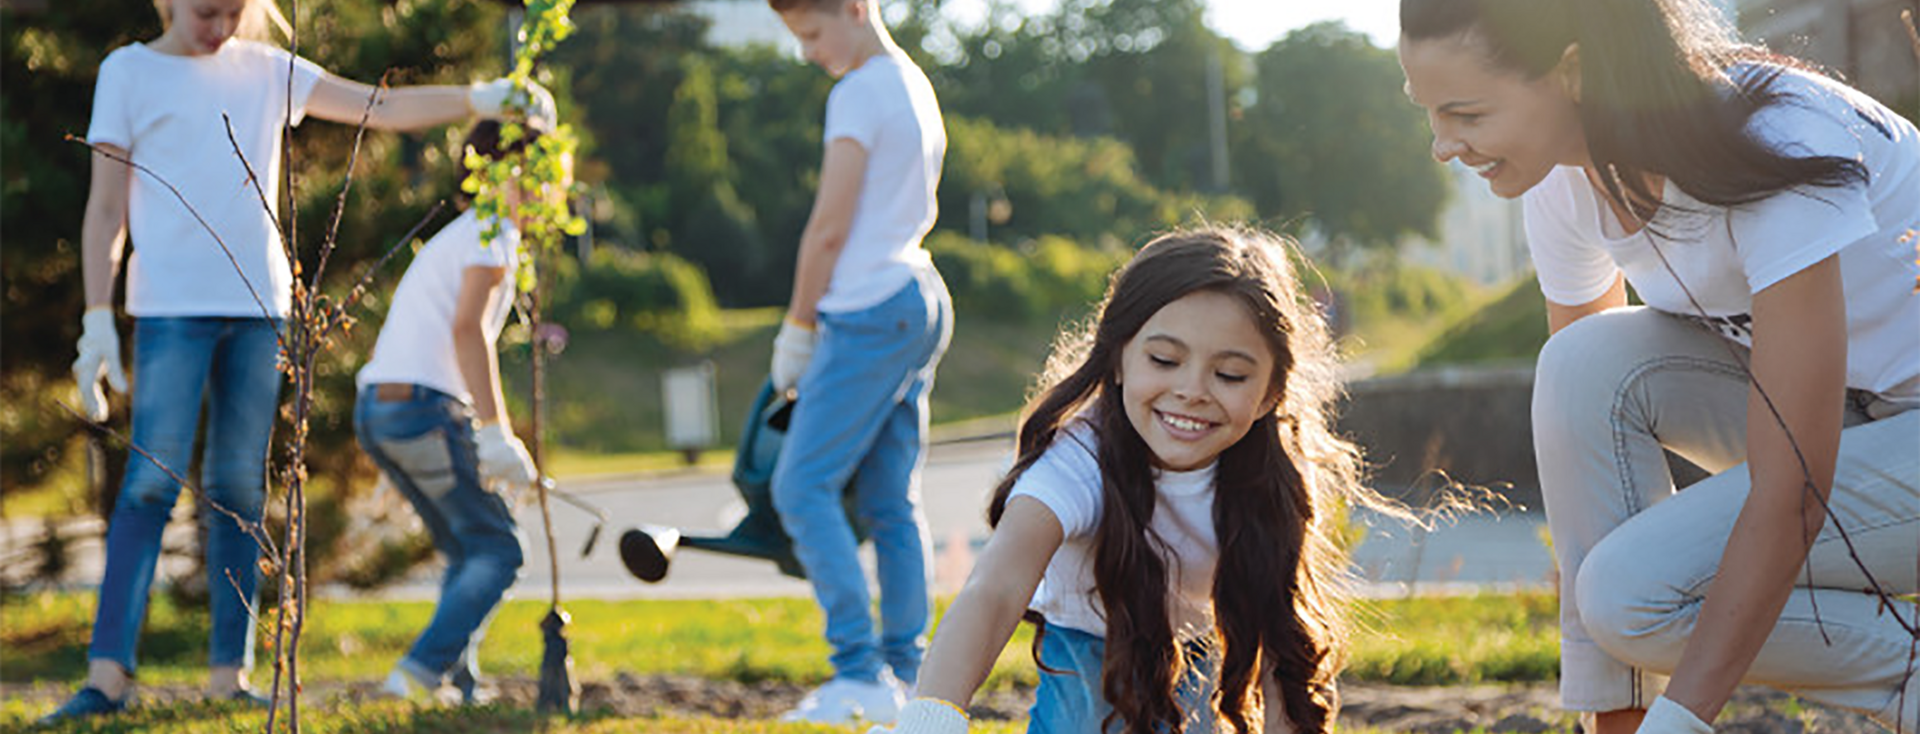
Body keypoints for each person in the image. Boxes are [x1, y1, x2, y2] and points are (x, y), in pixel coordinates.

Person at [1398, 1, 1920, 732]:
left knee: (1630, 594)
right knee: (1580, 362)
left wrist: (1679, 724)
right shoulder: (1561, 177)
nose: (1443, 146)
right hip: (1851, 415)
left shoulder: (1773, 144)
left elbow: (1793, 488)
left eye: (1466, 114)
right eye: (1430, 114)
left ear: (1573, 70)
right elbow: (1592, 455)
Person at [52, 0, 551, 722]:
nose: (218, 25)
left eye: (231, 11)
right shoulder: (127, 73)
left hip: (260, 310)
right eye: (204, 11)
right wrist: (98, 314)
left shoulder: (267, 69)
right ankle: (107, 677)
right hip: (169, 312)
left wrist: (476, 99)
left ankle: (231, 676)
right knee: (148, 489)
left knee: (238, 492)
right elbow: (107, 210)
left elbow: (378, 108)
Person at [876, 228, 1390, 734]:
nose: (1191, 390)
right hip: (1087, 677)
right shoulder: (1075, 460)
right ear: (1118, 357)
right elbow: (996, 588)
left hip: (1197, 667)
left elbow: (1282, 653)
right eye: (1164, 360)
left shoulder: (1268, 479)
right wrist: (929, 722)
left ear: (1271, 392)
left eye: (1229, 375)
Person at [763, 0, 953, 724]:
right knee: (890, 500)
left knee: (802, 487)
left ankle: (858, 671)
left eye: (812, 33)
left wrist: (798, 327)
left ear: (853, 7)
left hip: (867, 306)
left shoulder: (858, 91)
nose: (809, 52)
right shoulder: (914, 82)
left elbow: (829, 228)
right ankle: (905, 674)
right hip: (917, 294)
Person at [353, 119, 563, 705]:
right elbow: (469, 330)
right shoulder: (491, 236)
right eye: (547, 174)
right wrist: (496, 435)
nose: (556, 189)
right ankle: (415, 678)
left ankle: (457, 681)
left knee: (467, 547)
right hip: (421, 409)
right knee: (500, 550)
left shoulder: (464, 233)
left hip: (382, 408)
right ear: (508, 175)